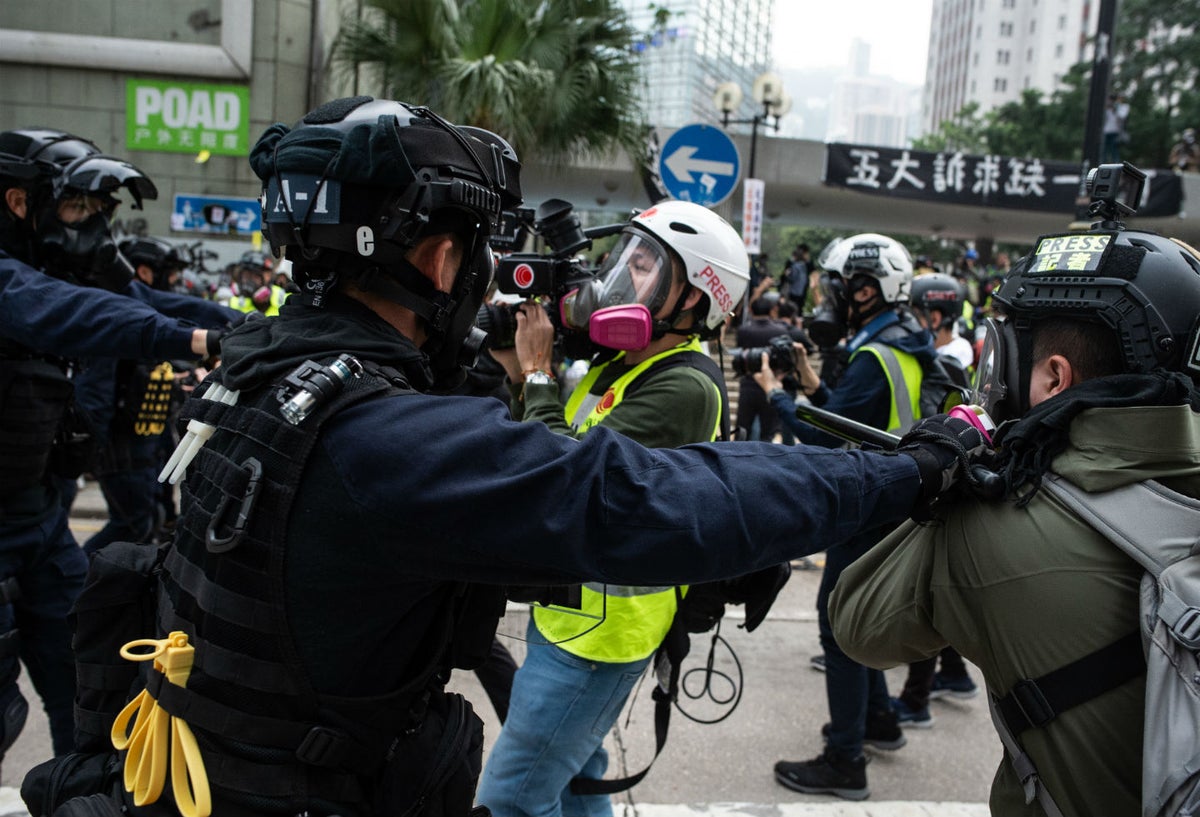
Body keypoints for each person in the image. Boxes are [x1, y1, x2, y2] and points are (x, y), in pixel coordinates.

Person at [21, 98, 989, 817]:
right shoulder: (382, 439)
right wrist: (906, 470)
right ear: (442, 262)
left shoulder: (258, 367)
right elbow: (649, 497)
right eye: (478, 248)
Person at [829, 222, 1200, 816]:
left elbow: (858, 623)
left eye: (1004, 352)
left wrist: (958, 469)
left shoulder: (994, 521)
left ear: (1054, 377)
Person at [480, 200, 749, 817]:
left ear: (693, 300)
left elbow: (559, 476)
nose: (624, 276)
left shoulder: (682, 384)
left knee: (510, 799)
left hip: (603, 637)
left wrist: (539, 372)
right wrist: (525, 376)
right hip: (570, 614)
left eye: (648, 265)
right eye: (628, 257)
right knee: (577, 778)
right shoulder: (621, 364)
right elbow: (546, 445)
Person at [0, 128, 219, 764]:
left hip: (38, 520)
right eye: (77, 209)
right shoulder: (22, 285)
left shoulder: (56, 270)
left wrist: (266, 332)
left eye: (101, 212)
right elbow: (68, 312)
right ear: (19, 202)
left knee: (92, 690)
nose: (92, 227)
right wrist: (200, 344)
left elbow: (143, 301)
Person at [757, 233, 937, 801]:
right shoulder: (901, 343)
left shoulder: (873, 355)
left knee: (838, 628)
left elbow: (822, 433)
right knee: (863, 619)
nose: (830, 296)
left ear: (865, 289)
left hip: (866, 510)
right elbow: (864, 417)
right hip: (896, 501)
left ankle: (844, 760)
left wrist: (780, 396)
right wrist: (817, 387)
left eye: (836, 286)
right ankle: (880, 722)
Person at [76, 239, 239, 554]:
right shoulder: (120, 320)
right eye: (170, 274)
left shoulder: (147, 319)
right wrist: (93, 447)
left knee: (154, 520)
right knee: (132, 525)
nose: (175, 283)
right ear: (145, 272)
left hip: (151, 441)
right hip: (123, 446)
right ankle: (87, 580)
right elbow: (97, 392)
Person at [736, 295, 792, 441]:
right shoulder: (780, 331)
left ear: (752, 311)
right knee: (769, 432)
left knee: (743, 430)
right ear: (771, 311)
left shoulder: (744, 330)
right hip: (770, 384)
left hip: (748, 382)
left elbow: (742, 354)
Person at [228, 250, 288, 315]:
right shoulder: (234, 303)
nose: (249, 281)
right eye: (246, 276)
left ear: (268, 276)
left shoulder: (286, 301)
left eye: (255, 276)